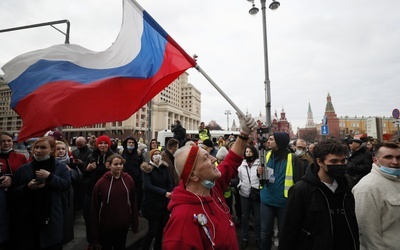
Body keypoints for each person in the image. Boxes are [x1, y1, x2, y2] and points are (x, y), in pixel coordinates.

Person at [162, 113, 256, 249]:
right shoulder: (182, 223)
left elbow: (231, 161)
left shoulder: (213, 187)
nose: (214, 159)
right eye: (206, 158)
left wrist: (244, 134)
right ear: (194, 176)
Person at [279, 138, 359, 250]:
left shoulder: (347, 186)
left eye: (343, 161)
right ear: (319, 161)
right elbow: (289, 230)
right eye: (334, 161)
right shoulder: (301, 190)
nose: (340, 165)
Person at [8, 136, 71, 250]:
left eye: (43, 147)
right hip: (29, 218)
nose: (38, 150)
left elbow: (66, 185)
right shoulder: (24, 169)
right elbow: (13, 191)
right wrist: (27, 187)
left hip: (52, 216)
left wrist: (50, 177)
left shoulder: (60, 167)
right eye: (36, 147)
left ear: (52, 150)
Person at [258, 132, 302, 250]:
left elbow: (299, 181)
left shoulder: (292, 158)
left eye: (271, 139)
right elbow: (261, 177)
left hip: (285, 203)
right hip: (267, 200)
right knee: (265, 232)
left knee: (284, 233)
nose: (268, 141)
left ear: (280, 142)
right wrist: (259, 172)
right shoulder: (266, 155)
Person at [352, 142, 400, 250]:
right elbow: (368, 234)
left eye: (398, 157)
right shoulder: (367, 188)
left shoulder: (396, 179)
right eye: (388, 157)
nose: (395, 162)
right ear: (375, 160)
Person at [91, 154, 139, 250]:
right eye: (115, 164)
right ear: (109, 165)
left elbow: (133, 202)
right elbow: (94, 208)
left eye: (121, 164)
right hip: (106, 226)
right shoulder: (101, 183)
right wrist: (95, 234)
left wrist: (134, 223)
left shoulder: (128, 180)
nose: (119, 166)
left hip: (123, 224)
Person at [82, 135, 114, 249]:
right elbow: (84, 174)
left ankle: (105, 241)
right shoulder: (91, 156)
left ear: (109, 144)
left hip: (107, 194)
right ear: (97, 145)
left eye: (105, 143)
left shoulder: (113, 157)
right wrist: (88, 169)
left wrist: (112, 169)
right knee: (90, 218)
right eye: (100, 143)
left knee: (106, 219)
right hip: (91, 193)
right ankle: (92, 241)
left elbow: (121, 173)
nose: (103, 145)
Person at [140, 149, 173, 250]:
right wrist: (164, 193)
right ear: (151, 156)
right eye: (155, 154)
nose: (157, 156)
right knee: (153, 230)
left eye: (159, 154)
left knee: (161, 231)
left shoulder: (164, 167)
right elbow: (147, 185)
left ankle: (157, 247)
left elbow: (170, 182)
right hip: (152, 205)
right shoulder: (147, 169)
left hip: (164, 205)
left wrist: (170, 192)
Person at [0, 131, 28, 249]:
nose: (6, 143)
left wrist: (11, 178)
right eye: (2, 141)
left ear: (13, 142)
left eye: (9, 141)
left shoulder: (21, 157)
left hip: (17, 195)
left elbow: (26, 174)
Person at [237, 145, 261, 249]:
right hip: (244, 194)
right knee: (245, 217)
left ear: (254, 152)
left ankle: (258, 238)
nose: (248, 153)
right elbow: (239, 177)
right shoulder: (242, 165)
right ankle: (245, 238)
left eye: (250, 152)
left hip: (256, 194)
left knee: (258, 218)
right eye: (246, 152)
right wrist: (240, 185)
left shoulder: (259, 163)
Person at [120, 136, 143, 212]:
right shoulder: (121, 153)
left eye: (133, 143)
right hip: (124, 179)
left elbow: (141, 166)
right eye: (129, 142)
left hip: (136, 180)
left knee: (135, 197)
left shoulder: (138, 153)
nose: (131, 144)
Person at [72, 136, 93, 210]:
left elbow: (92, 165)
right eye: (77, 145)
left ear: (85, 143)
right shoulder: (74, 151)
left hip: (87, 177)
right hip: (77, 175)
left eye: (80, 145)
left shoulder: (91, 152)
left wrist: (82, 163)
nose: (78, 147)